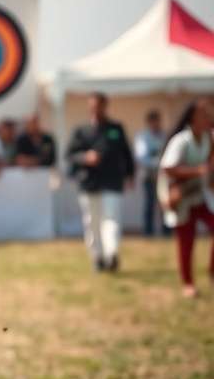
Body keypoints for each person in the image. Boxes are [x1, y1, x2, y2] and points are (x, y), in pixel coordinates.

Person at [66, 92, 135, 272]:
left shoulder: (115, 128)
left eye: (99, 106)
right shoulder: (81, 131)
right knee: (92, 221)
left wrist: (130, 174)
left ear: (105, 106)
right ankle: (97, 257)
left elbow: (126, 154)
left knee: (111, 218)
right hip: (89, 183)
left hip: (112, 181)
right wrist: (85, 157)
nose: (96, 109)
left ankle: (111, 253)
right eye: (93, 106)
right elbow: (70, 155)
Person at [158, 100, 214, 298]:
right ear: (192, 118)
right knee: (186, 241)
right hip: (180, 196)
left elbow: (209, 165)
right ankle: (188, 283)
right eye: (203, 114)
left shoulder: (209, 138)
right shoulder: (181, 141)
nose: (208, 116)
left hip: (199, 195)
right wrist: (196, 171)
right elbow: (168, 168)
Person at [134, 109, 167, 236]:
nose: (155, 124)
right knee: (149, 204)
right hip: (149, 176)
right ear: (149, 123)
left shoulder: (164, 135)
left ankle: (166, 232)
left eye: (157, 121)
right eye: (153, 122)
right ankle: (148, 232)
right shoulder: (143, 137)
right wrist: (159, 162)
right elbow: (141, 157)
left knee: (164, 203)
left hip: (163, 177)